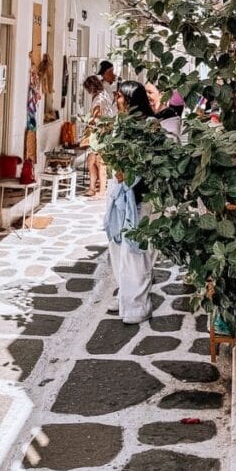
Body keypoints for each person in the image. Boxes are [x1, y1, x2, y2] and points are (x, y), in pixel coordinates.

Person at [104, 80, 156, 324]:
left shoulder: (149, 126)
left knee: (136, 253)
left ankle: (137, 304)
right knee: (118, 248)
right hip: (119, 196)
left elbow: (152, 162)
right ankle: (125, 294)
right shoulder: (120, 125)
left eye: (121, 96)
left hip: (140, 196)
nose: (117, 100)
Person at [82, 74, 114, 199]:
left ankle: (101, 191)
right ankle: (92, 188)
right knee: (91, 161)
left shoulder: (99, 99)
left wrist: (87, 125)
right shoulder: (104, 95)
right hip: (102, 133)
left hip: (100, 134)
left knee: (100, 163)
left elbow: (96, 117)